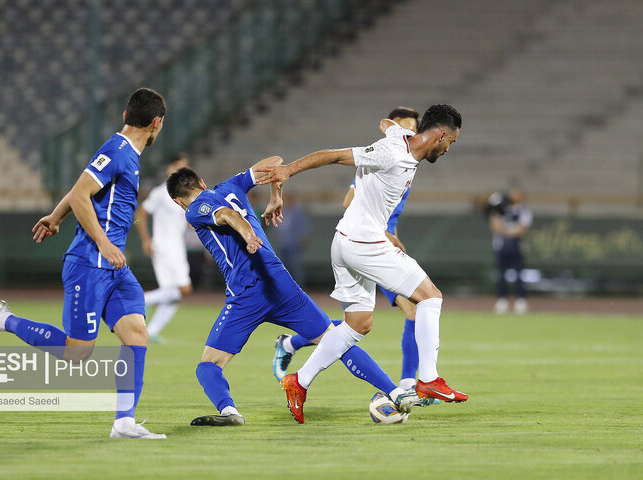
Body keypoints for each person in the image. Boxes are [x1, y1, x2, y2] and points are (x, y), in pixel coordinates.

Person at [0, 88, 168, 439]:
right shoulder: (118, 151)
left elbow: (80, 187)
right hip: (90, 263)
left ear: (124, 115)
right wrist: (104, 242)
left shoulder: (125, 152)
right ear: (156, 123)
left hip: (114, 267)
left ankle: (124, 423)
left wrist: (57, 216)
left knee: (136, 332)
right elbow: (80, 194)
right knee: (77, 354)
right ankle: (3, 319)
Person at [256, 104, 467, 423]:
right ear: (439, 135)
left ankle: (298, 382)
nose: (449, 148)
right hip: (364, 241)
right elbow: (334, 155)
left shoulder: (403, 139)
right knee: (430, 297)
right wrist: (288, 171)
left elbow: (388, 126)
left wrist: (391, 127)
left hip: (345, 240)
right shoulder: (391, 153)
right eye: (450, 142)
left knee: (357, 325)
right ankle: (427, 379)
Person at [167, 160, 416, 425]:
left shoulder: (194, 210)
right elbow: (275, 163)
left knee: (208, 365)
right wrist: (276, 196)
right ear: (202, 182)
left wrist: (249, 235)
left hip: (246, 293)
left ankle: (229, 411)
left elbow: (228, 215)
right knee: (337, 341)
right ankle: (396, 392)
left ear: (177, 201)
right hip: (280, 283)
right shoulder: (232, 185)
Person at [134, 153, 193, 342]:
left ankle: (151, 332)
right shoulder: (160, 193)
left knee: (172, 295)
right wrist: (145, 239)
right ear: (169, 169)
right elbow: (139, 215)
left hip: (176, 245)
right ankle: (143, 300)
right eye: (179, 167)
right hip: (165, 246)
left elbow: (187, 222)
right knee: (185, 289)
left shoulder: (184, 195)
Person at [489, 188, 533, 314]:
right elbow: (495, 226)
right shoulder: (500, 209)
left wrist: (506, 231)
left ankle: (521, 301)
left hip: (516, 247)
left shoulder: (524, 211)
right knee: (501, 275)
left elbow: (521, 229)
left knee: (519, 275)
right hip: (501, 247)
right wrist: (510, 230)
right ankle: (502, 301)